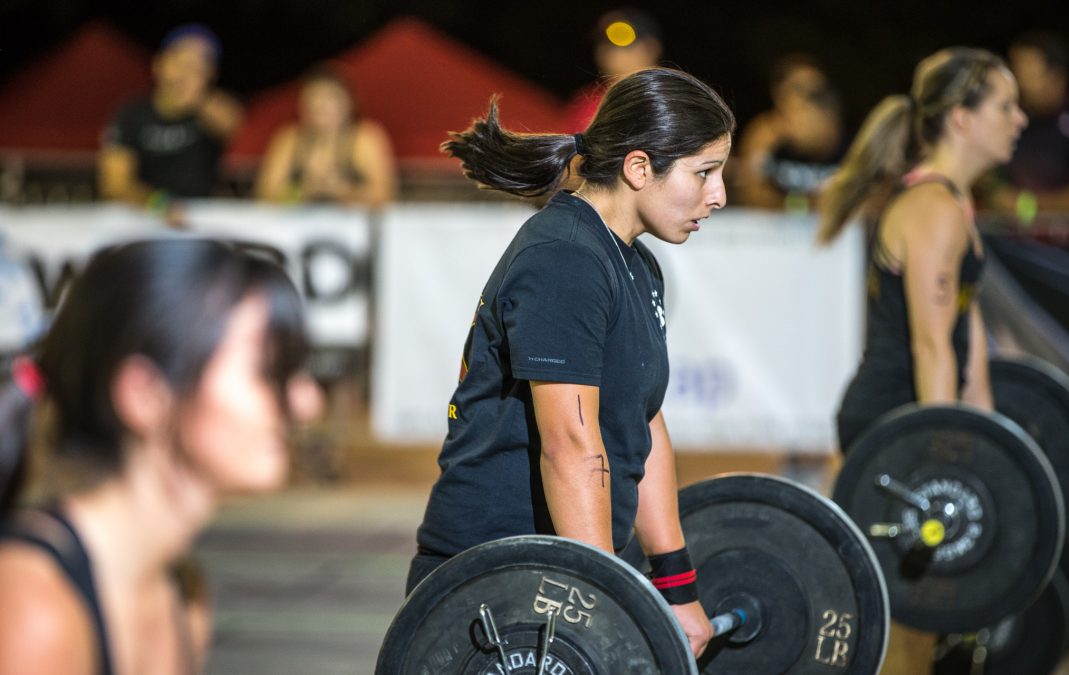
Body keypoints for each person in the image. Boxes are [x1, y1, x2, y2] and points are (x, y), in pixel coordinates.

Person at [408, 67, 735, 660]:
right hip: (494, 581)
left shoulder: (637, 264)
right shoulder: (564, 256)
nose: (719, 195)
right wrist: (605, 607)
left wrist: (676, 588)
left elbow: (645, 426)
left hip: (565, 572)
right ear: (639, 168)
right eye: (705, 173)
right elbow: (570, 446)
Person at [0, 239, 322, 674]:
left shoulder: (181, 593)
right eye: (266, 372)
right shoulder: (34, 606)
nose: (307, 403)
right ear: (146, 395)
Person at [817, 47, 1028, 674]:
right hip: (892, 426)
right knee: (905, 616)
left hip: (913, 418)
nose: (1019, 120)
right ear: (962, 118)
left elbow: (968, 346)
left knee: (930, 616)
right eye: (1005, 106)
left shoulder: (953, 205)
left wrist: (988, 445)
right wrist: (948, 454)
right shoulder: (933, 208)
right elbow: (931, 346)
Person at [98, 24, 242, 211]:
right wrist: (161, 205)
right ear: (159, 64)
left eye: (200, 66)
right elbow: (115, 185)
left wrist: (197, 99)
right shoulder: (130, 114)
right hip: (141, 214)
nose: (187, 72)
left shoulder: (210, 111)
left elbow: (232, 123)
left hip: (198, 217)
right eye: (180, 61)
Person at [254, 65, 397, 208]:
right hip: (297, 225)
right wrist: (304, 190)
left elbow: (384, 196)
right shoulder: (289, 139)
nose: (319, 105)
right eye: (313, 97)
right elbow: (266, 193)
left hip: (352, 226)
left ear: (348, 102)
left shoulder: (366, 138)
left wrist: (340, 190)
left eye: (329, 98)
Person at [984, 30, 1069, 216]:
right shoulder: (1012, 116)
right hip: (1008, 236)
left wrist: (1027, 205)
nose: (1016, 78)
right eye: (1013, 67)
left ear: (1055, 75)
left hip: (1067, 241)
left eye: (1026, 69)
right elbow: (992, 183)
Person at [735, 53, 845, 210]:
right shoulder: (764, 133)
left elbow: (857, 200)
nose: (807, 99)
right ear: (779, 93)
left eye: (817, 93)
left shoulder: (843, 138)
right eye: (799, 89)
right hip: (776, 228)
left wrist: (825, 140)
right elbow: (749, 195)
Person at [563, 8, 663, 133]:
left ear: (652, 48)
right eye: (604, 46)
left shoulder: (676, 95)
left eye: (624, 47)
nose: (610, 55)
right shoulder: (587, 104)